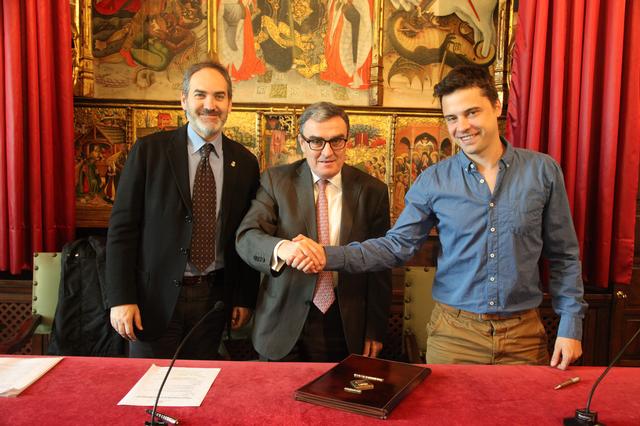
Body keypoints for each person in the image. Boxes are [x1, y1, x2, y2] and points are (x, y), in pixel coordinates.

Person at [295, 66, 587, 369]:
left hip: (524, 336)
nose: (462, 127)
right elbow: (396, 247)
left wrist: (570, 325)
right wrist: (326, 255)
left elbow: (564, 255)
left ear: (497, 106)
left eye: (471, 112)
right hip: (454, 336)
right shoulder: (432, 181)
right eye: (452, 118)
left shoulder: (543, 171)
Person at [106, 61, 260, 359]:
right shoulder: (149, 152)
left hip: (214, 301)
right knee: (151, 384)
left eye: (219, 96)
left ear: (230, 103)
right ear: (183, 100)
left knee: (201, 383)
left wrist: (244, 298)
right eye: (200, 95)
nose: (210, 105)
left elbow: (247, 232)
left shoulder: (245, 162)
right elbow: (122, 230)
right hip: (152, 300)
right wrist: (121, 298)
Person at [235, 102, 391, 362]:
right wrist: (283, 248)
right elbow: (248, 236)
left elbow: (380, 264)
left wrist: (375, 329)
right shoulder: (276, 181)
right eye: (316, 141)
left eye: (336, 141)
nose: (327, 152)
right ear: (302, 143)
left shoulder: (372, 191)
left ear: (347, 142)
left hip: (345, 323)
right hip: (281, 322)